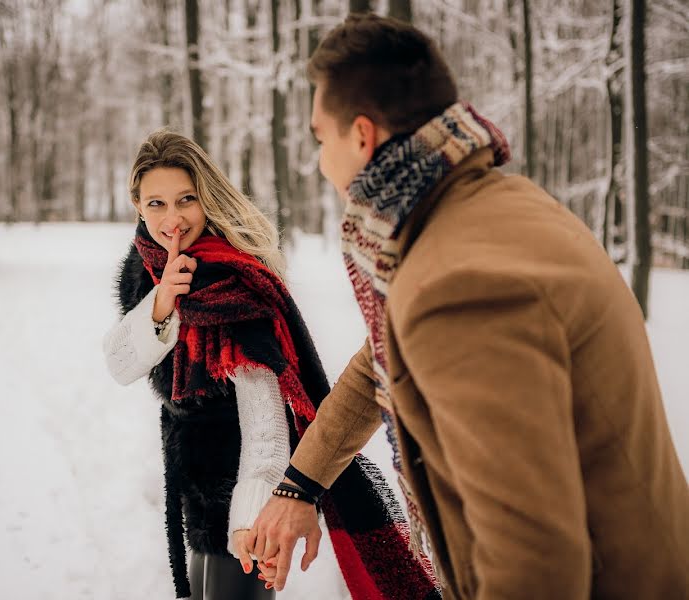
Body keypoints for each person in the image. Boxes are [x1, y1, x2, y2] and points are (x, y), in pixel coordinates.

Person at [245, 13, 689, 599]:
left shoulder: (458, 285)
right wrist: (300, 483)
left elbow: (535, 564)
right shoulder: (490, 210)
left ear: (361, 136)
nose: (319, 161)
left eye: (319, 138)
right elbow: (384, 363)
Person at [102, 130, 440, 599]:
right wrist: (162, 305)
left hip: (246, 490)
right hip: (193, 493)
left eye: (186, 199)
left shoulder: (231, 281)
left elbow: (266, 417)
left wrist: (251, 521)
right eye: (156, 203)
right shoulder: (146, 269)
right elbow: (120, 364)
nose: (172, 218)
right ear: (136, 204)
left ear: (208, 198)